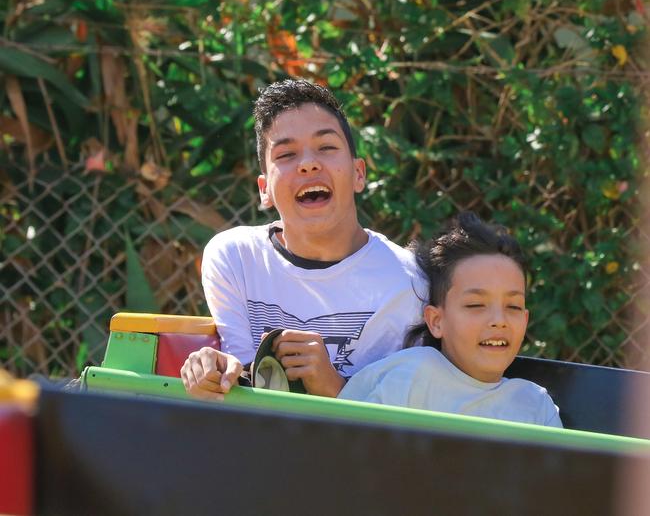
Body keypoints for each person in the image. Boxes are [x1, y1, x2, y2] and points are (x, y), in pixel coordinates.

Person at [181, 79, 425, 399]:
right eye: (286, 154)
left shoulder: (410, 281)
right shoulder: (234, 257)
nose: (309, 164)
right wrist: (212, 371)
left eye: (326, 147)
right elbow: (241, 374)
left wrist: (334, 387)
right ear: (264, 189)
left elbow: (412, 414)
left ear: (359, 173)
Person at [338, 212, 563, 427]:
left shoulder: (536, 406)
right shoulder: (409, 378)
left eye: (513, 306)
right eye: (476, 305)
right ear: (436, 321)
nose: (499, 320)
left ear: (525, 320)